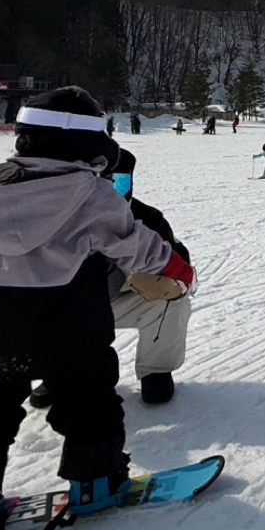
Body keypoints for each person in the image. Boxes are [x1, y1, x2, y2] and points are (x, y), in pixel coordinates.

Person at [0, 86, 195, 530]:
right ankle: (96, 482)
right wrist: (178, 270)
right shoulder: (92, 195)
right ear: (93, 144)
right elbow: (135, 244)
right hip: (70, 327)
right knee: (89, 402)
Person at [30, 148, 192, 408]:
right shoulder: (60, 216)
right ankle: (58, 371)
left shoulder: (147, 217)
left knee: (174, 300)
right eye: (103, 182)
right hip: (71, 306)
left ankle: (156, 370)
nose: (111, 190)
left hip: (121, 300)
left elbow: (181, 262)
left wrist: (157, 276)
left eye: (120, 181)